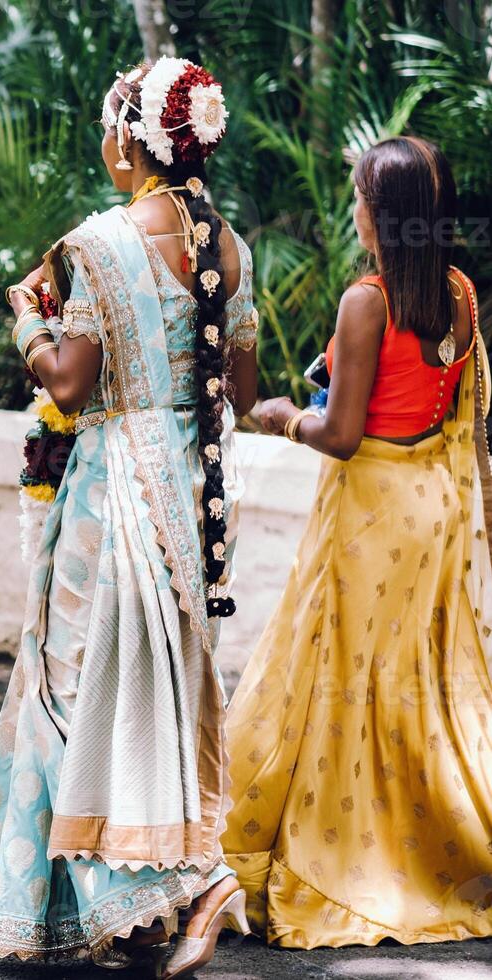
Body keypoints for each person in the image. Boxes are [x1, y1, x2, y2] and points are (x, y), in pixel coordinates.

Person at [0, 60, 260, 975]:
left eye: (105, 127)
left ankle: (191, 882)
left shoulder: (100, 241)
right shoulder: (231, 246)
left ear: (130, 137)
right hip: (198, 486)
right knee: (154, 686)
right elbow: (239, 387)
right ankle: (140, 895)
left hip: (115, 480)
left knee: (80, 686)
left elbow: (72, 381)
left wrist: (25, 326)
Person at [226, 136, 492, 948]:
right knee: (418, 687)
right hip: (432, 514)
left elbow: (341, 434)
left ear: (383, 213)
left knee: (342, 684)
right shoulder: (457, 293)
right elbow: (463, 415)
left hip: (370, 515)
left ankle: (350, 858)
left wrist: (280, 415)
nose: (353, 210)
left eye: (359, 198)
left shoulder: (365, 301)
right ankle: (442, 843)